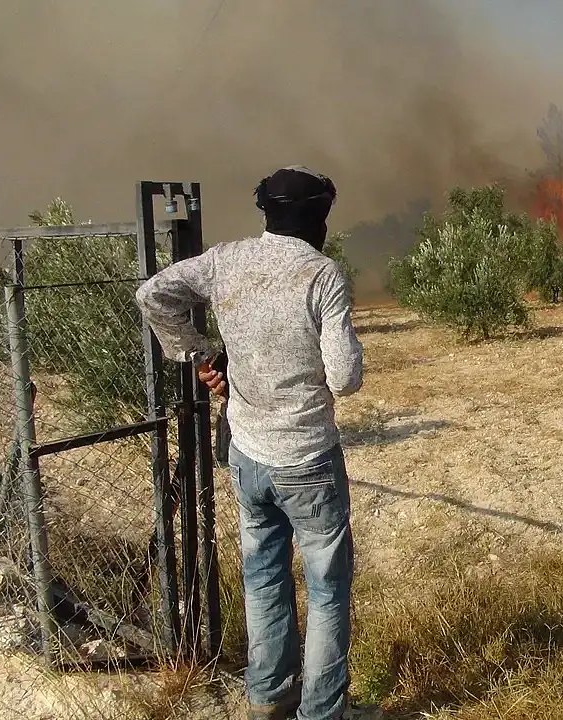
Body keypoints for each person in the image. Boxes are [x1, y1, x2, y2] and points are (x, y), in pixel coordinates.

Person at [135, 166, 368, 720]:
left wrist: (198, 352)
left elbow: (153, 294)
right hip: (307, 459)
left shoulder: (226, 260)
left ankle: (267, 698)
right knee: (327, 590)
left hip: (248, 456)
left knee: (263, 577)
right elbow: (344, 378)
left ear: (267, 211)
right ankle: (321, 712)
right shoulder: (322, 274)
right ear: (318, 218)